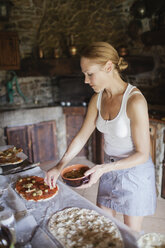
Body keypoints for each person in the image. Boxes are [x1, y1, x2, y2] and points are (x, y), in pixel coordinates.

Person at [44, 42, 156, 232]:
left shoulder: (134, 100)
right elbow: (81, 137)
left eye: (90, 74)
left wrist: (104, 168)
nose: (86, 81)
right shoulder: (97, 98)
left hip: (134, 173)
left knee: (130, 235)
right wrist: (59, 166)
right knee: (102, 227)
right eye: (84, 75)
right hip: (106, 169)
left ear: (109, 67)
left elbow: (143, 154)